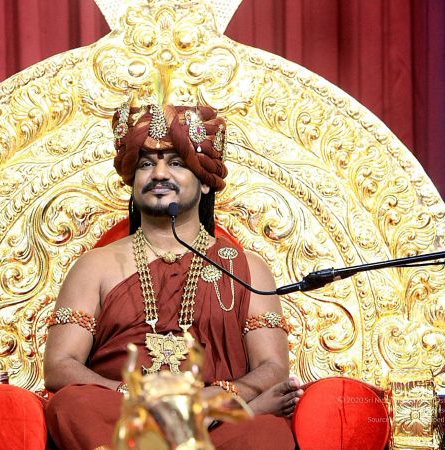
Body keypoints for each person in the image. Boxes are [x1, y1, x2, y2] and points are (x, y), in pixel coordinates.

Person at [44, 102, 303, 449]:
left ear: (205, 182)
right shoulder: (95, 265)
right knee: (73, 405)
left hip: (216, 424)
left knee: (265, 434)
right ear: (131, 180)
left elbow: (272, 367)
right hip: (126, 415)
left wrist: (210, 400)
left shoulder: (247, 268)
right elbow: (59, 365)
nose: (159, 174)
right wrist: (138, 398)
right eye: (146, 164)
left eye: (177, 163)